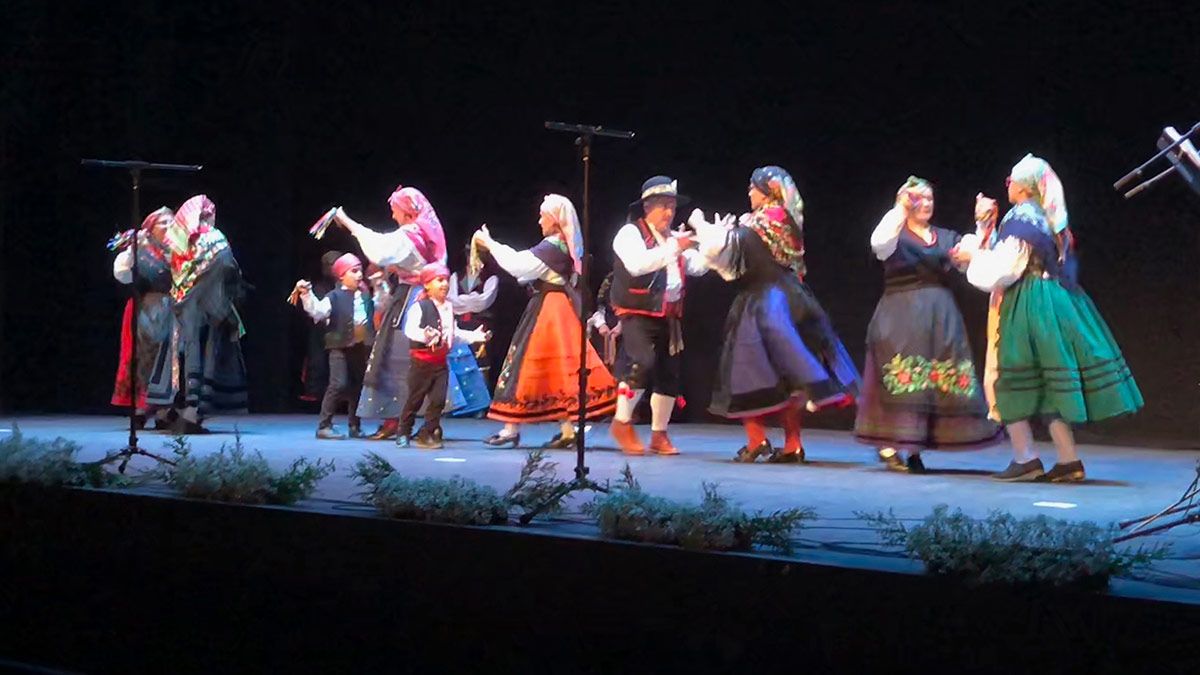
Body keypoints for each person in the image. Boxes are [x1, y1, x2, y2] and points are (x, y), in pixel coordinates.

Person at [961, 154, 1143, 482]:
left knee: (1009, 374)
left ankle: (1025, 457)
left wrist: (974, 251)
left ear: (1025, 187)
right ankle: (1068, 460)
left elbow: (1001, 272)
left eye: (1012, 180)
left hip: (1028, 302)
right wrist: (985, 227)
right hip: (1055, 299)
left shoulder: (1021, 218)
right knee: (1049, 382)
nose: (1008, 185)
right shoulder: (1048, 217)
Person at [690, 165, 859, 463]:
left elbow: (728, 260)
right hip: (793, 298)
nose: (749, 192)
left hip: (763, 302)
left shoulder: (760, 221)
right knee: (788, 376)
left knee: (744, 371)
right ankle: (792, 444)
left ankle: (757, 440)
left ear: (767, 191)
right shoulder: (786, 220)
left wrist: (701, 228)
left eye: (753, 187)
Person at [853, 177, 1000, 472]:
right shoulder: (895, 233)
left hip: (941, 318)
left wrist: (983, 225)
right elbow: (879, 244)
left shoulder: (945, 237)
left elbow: (973, 258)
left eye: (930, 199)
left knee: (933, 384)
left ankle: (915, 448)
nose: (925, 204)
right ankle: (889, 445)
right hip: (900, 316)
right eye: (918, 198)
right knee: (902, 378)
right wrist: (899, 209)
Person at [472, 194, 618, 448]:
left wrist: (490, 243)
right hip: (555, 307)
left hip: (549, 311)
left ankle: (512, 429)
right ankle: (566, 430)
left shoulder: (554, 246)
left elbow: (518, 266)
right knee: (557, 371)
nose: (539, 221)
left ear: (555, 219)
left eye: (543, 215)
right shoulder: (563, 246)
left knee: (526, 365)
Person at [332, 185, 448, 440]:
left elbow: (380, 249)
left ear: (406, 212)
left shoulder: (412, 233)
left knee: (397, 359)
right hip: (419, 297)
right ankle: (427, 422)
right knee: (420, 360)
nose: (393, 216)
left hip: (410, 299)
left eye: (395, 211)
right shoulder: (428, 233)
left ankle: (395, 420)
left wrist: (348, 222)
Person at [608, 176, 710, 455]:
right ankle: (622, 422)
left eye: (672, 207)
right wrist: (677, 246)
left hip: (669, 314)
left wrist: (715, 248)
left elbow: (697, 266)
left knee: (669, 374)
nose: (669, 213)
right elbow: (638, 265)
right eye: (664, 206)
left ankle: (659, 434)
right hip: (637, 311)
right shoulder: (630, 234)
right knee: (642, 362)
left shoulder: (672, 239)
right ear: (647, 207)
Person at [158, 194, 249, 433]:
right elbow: (228, 266)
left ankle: (184, 409)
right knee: (210, 358)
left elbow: (177, 279)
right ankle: (193, 413)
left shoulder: (179, 246)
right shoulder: (213, 237)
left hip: (184, 311)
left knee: (186, 356)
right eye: (209, 213)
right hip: (210, 307)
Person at [294, 253, 392, 439]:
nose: (358, 275)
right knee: (338, 384)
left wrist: (380, 284)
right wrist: (306, 294)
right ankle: (324, 425)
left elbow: (382, 304)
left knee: (357, 385)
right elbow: (318, 312)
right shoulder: (335, 296)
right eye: (353, 271)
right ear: (341, 275)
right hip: (339, 345)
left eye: (359, 271)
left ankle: (355, 425)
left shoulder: (364, 296)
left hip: (360, 346)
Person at [396, 263, 490, 448]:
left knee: (438, 400)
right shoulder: (420, 306)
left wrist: (477, 336)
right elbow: (410, 330)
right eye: (439, 280)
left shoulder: (448, 307)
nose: (444, 284)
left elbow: (454, 334)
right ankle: (403, 431)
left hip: (440, 363)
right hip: (421, 362)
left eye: (446, 280)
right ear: (427, 285)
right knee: (415, 399)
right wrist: (426, 335)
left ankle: (428, 432)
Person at [109, 206, 179, 430]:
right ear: (150, 227)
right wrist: (132, 252)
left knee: (167, 361)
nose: (168, 227)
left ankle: (163, 410)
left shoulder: (176, 251)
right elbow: (122, 275)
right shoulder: (138, 249)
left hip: (170, 309)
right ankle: (140, 408)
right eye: (163, 223)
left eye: (171, 223)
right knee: (143, 357)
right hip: (145, 308)